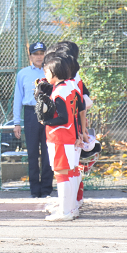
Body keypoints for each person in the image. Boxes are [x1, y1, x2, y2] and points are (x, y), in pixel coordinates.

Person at [39, 55, 80, 222]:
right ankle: (71, 208)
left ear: (54, 72)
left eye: (47, 71)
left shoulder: (59, 92)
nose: (45, 74)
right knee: (69, 173)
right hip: (69, 135)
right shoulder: (71, 86)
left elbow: (63, 117)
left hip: (60, 136)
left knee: (61, 174)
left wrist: (45, 121)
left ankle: (65, 211)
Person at [13, 42, 53, 198]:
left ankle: (47, 188)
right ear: (30, 56)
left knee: (48, 152)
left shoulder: (51, 72)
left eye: (42, 53)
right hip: (31, 113)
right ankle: (35, 189)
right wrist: (17, 122)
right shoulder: (23, 74)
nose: (39, 57)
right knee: (32, 153)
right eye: (35, 54)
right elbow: (18, 99)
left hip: (49, 113)